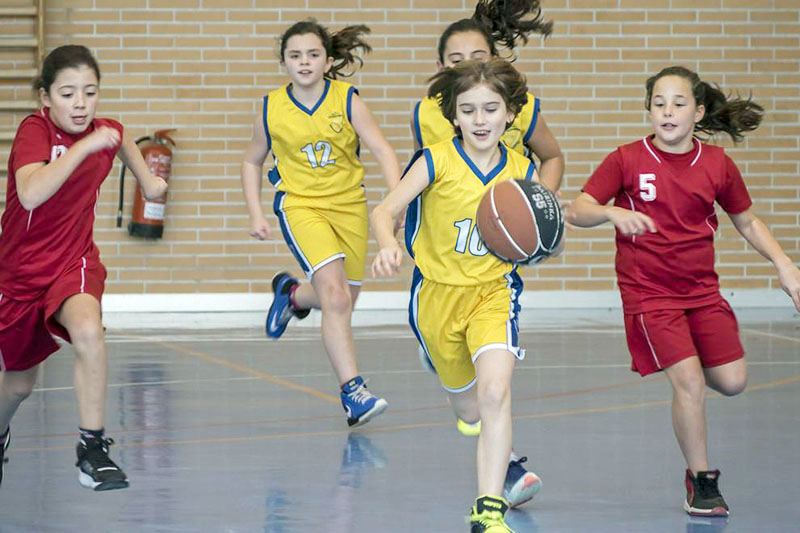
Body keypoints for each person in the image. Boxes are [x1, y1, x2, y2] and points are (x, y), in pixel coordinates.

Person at [566, 65, 800, 517]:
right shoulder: (627, 159)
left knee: (732, 382)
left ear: (698, 111)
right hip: (649, 293)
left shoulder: (716, 164)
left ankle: (686, 379)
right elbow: (579, 210)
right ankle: (701, 482)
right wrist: (612, 215)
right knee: (689, 382)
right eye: (658, 103)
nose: (667, 111)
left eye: (678, 103)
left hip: (702, 292)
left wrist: (784, 264)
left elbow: (747, 221)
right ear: (648, 110)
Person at [372, 58, 549, 532]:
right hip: (435, 297)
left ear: (510, 114)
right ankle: (452, 382)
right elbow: (385, 210)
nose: (480, 119)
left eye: (490, 109)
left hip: (494, 292)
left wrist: (539, 238)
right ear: (453, 117)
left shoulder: (521, 168)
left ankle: (488, 510)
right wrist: (389, 244)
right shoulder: (435, 160)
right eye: (468, 110)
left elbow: (535, 228)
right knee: (468, 407)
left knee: (495, 393)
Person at [0, 44, 168, 491]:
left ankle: (92, 449)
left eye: (89, 93)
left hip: (73, 262)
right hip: (20, 274)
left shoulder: (108, 131)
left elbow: (129, 151)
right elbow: (32, 194)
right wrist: (82, 148)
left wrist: (151, 185)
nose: (80, 103)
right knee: (16, 388)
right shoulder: (34, 132)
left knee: (89, 330)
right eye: (68, 93)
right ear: (46, 98)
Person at [241, 20, 401, 427]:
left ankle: (292, 295)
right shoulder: (270, 108)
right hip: (300, 206)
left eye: (313, 54)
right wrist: (256, 212)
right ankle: (354, 393)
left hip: (350, 207)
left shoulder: (347, 100)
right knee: (336, 298)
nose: (304, 62)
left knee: (341, 301)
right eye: (295, 55)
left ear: (328, 60)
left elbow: (383, 150)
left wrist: (396, 202)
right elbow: (252, 160)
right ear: (284, 63)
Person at [412, 0, 564, 193]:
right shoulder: (423, 113)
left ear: (493, 59)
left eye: (478, 58)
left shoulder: (519, 106)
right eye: (457, 60)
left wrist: (540, 201)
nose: (468, 66)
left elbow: (552, 157)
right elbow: (419, 176)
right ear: (440, 67)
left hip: (506, 216)